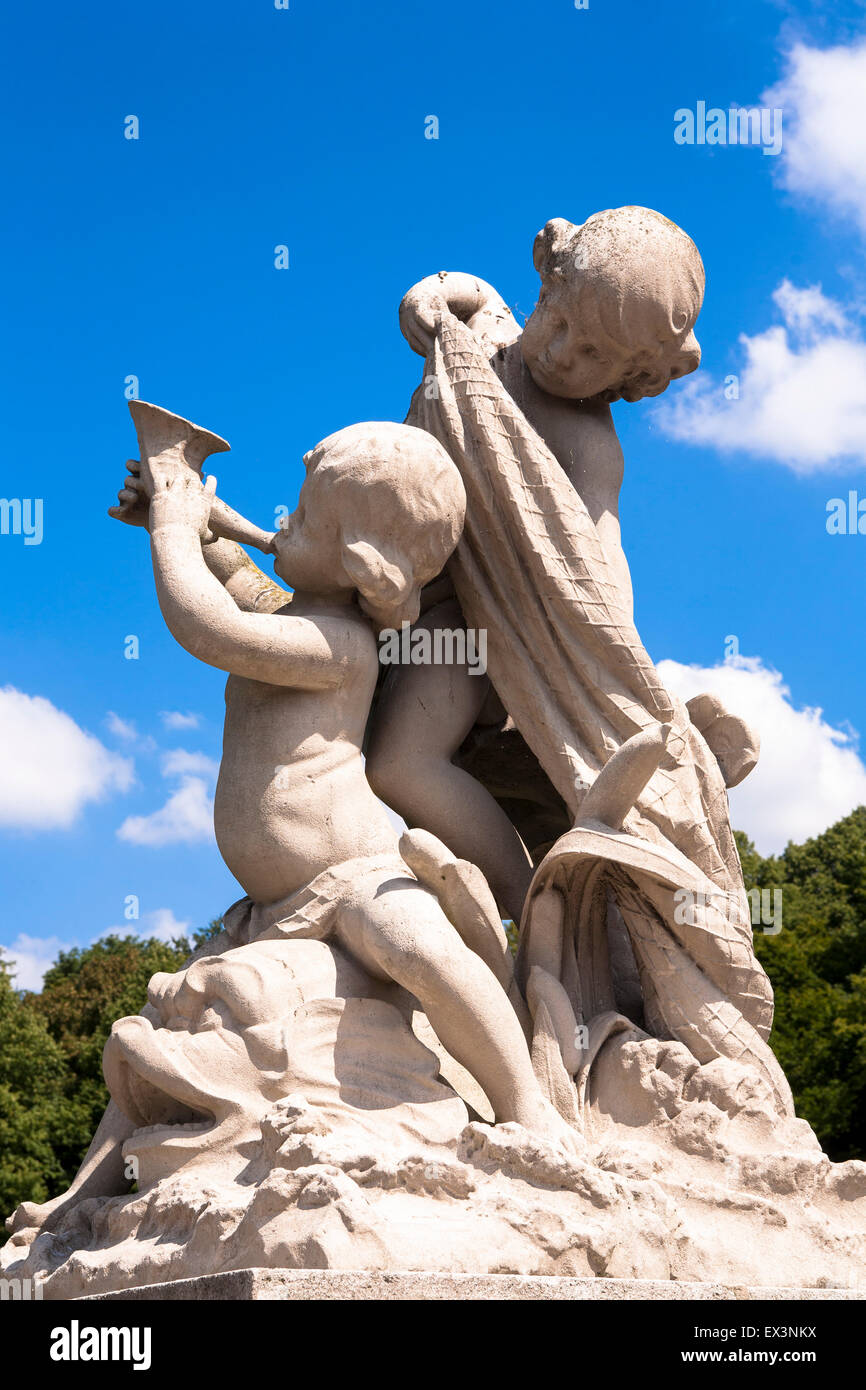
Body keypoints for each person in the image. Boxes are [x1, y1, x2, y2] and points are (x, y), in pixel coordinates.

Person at [365, 207, 706, 922]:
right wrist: (426, 307)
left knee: (398, 763)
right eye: (558, 324)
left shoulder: (590, 444)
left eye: (594, 358)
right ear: (547, 279)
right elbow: (450, 291)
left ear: (633, 377)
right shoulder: (490, 331)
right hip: (385, 581)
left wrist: (611, 647)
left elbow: (596, 553)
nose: (561, 354)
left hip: (475, 624)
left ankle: (532, 906)